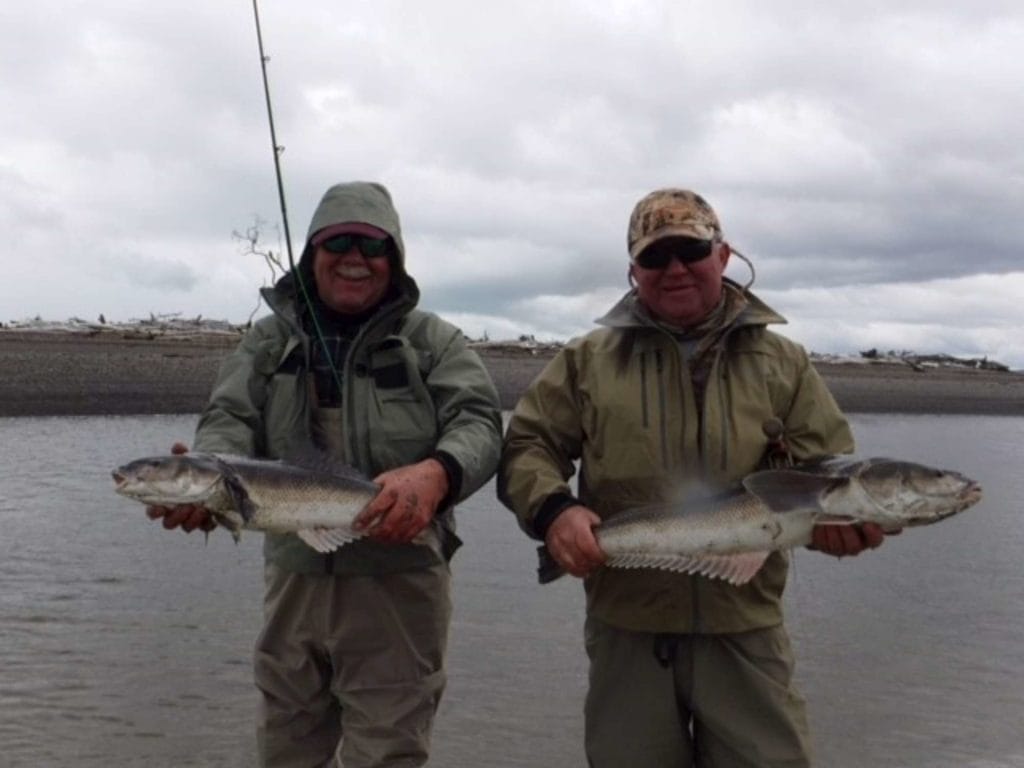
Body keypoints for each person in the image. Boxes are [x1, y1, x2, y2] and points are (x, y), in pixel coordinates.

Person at [497, 188, 893, 767]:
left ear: (723, 255)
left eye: (690, 250)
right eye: (655, 257)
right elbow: (528, 445)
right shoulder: (587, 360)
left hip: (746, 627)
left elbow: (828, 467)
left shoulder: (784, 363)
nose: (675, 268)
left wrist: (840, 525)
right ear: (633, 271)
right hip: (626, 627)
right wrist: (553, 511)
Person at [148, 181, 502, 767]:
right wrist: (207, 475)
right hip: (295, 582)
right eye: (338, 242)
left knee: (389, 751)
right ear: (313, 254)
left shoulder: (433, 342)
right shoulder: (267, 342)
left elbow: (480, 422)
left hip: (402, 582)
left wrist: (437, 474)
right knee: (286, 747)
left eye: (373, 246)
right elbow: (229, 417)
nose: (355, 258)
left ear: (396, 259)